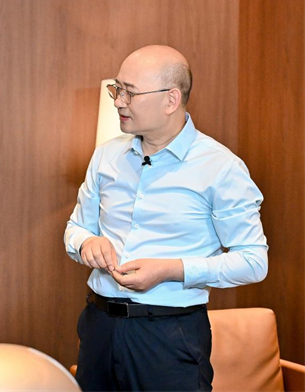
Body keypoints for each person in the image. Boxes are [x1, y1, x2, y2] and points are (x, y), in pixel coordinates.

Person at [64, 45, 268, 392]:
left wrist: (172, 270)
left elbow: (253, 262)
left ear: (171, 100)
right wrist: (86, 243)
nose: (118, 101)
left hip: (170, 335)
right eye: (117, 89)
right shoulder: (106, 156)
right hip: (99, 326)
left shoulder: (221, 168)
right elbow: (76, 228)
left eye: (129, 92)